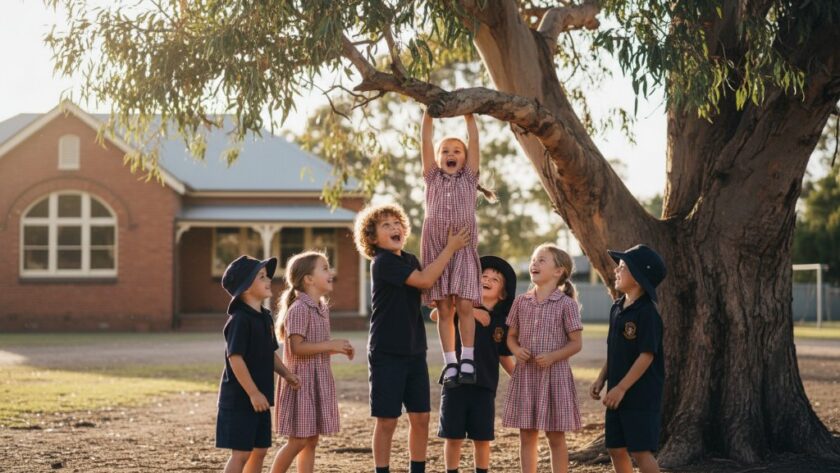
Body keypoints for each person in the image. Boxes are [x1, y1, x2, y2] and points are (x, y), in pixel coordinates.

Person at [353, 202, 470, 473]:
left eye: (397, 224)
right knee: (387, 420)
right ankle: (381, 469)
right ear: (372, 238)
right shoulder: (382, 263)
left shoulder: (408, 260)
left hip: (415, 350)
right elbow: (426, 280)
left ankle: (416, 469)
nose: (395, 228)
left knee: (420, 417)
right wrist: (450, 248)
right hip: (386, 351)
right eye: (386, 225)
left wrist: (441, 306)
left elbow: (424, 290)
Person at [420, 110, 495, 387]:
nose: (450, 154)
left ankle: (467, 359)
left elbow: (474, 140)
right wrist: (428, 113)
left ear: (464, 159)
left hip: (462, 248)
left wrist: (468, 115)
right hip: (437, 249)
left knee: (464, 304)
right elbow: (425, 141)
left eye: (457, 151)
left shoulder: (469, 178)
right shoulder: (431, 178)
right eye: (445, 152)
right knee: (444, 308)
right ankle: (450, 362)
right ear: (438, 159)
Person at [270, 251, 354, 473]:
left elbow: (316, 347)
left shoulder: (321, 307)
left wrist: (338, 349)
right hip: (301, 382)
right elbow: (297, 348)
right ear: (308, 279)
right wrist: (330, 345)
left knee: (311, 440)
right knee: (298, 440)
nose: (331, 272)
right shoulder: (299, 308)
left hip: (317, 380)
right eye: (325, 268)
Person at [503, 244, 583, 473]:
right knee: (527, 433)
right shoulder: (520, 302)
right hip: (526, 375)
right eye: (533, 260)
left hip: (555, 376)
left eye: (541, 260)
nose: (534, 264)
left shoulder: (566, 305)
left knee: (555, 435)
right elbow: (511, 337)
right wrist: (516, 350)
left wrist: (553, 356)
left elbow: (576, 343)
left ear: (559, 271)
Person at [432, 256, 517, 473]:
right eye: (484, 276)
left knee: (482, 438)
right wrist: (471, 311)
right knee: (453, 436)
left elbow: (503, 356)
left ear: (502, 293)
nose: (487, 279)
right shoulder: (462, 308)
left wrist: (519, 378)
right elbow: (436, 314)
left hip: (485, 387)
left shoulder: (503, 323)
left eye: (495, 279)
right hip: (455, 384)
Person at [215, 255, 300, 473]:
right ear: (245, 287)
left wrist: (286, 373)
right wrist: (252, 393)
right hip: (241, 398)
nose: (268, 279)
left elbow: (269, 353)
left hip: (261, 395)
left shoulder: (264, 317)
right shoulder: (239, 319)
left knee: (259, 450)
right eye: (261, 276)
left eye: (267, 275)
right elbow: (235, 358)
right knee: (241, 453)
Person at [590, 244, 667, 473]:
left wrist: (622, 388)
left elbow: (647, 355)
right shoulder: (617, 308)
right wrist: (601, 379)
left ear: (639, 277)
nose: (616, 270)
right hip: (616, 391)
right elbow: (613, 351)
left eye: (622, 267)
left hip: (640, 394)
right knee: (615, 447)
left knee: (641, 450)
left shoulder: (647, 314)